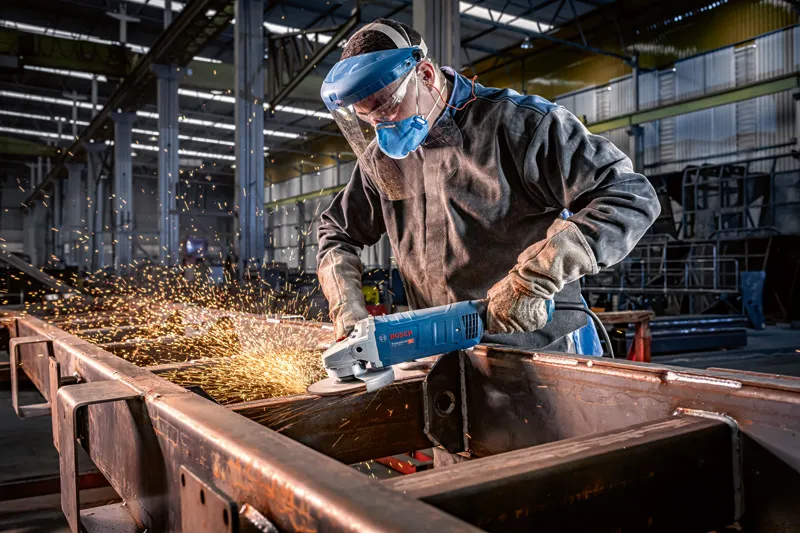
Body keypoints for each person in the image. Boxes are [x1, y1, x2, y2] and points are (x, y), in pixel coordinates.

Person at [317, 21, 659, 363]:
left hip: (537, 354)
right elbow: (336, 232)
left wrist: (537, 277)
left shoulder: (521, 126)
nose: (382, 126)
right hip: (438, 355)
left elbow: (629, 196)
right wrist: (346, 305)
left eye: (387, 107)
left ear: (424, 74)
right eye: (369, 118)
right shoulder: (383, 161)